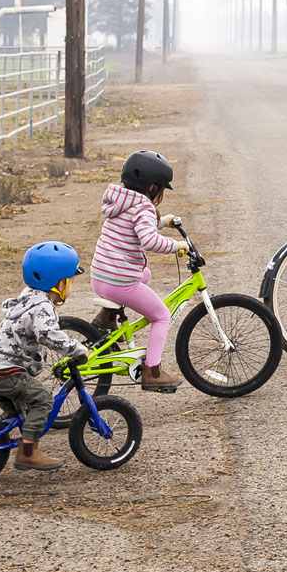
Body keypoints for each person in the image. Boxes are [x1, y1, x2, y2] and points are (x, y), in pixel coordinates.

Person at [0, 241, 88, 472]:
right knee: (43, 399)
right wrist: (76, 349)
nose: (71, 287)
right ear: (60, 283)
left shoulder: (29, 296)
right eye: (71, 281)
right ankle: (28, 453)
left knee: (16, 416)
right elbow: (48, 335)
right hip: (5, 372)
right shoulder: (42, 307)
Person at [89, 149, 189, 392]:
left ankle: (107, 317)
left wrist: (164, 221)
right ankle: (152, 372)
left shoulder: (122, 201)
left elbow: (136, 224)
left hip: (101, 276)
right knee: (162, 316)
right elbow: (148, 240)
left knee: (145, 274)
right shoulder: (143, 207)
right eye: (162, 190)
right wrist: (177, 246)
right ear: (152, 187)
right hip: (119, 281)